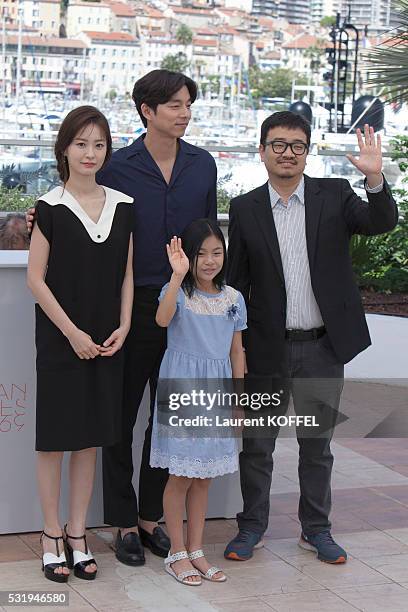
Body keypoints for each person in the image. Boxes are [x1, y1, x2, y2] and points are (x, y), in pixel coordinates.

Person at [26, 71, 217, 566]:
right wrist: (34, 219)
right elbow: (78, 206)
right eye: (174, 104)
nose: (184, 112)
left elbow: (207, 230)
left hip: (184, 306)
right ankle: (123, 522)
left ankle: (152, 516)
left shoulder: (204, 165)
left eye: (188, 104)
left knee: (168, 418)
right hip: (130, 305)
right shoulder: (118, 165)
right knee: (117, 417)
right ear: (146, 111)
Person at [225, 111, 398, 564]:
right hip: (267, 348)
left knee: (316, 448)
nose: (287, 153)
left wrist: (376, 178)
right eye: (278, 144)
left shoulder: (334, 195)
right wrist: (234, 345)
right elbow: (236, 283)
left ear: (308, 151)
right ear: (262, 151)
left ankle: (316, 530)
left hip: (322, 347)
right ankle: (252, 528)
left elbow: (380, 222)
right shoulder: (244, 208)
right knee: (258, 447)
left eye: (297, 145)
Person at [27, 106, 134, 583]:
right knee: (54, 442)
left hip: (108, 341)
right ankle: (51, 535)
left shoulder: (125, 205)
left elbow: (127, 274)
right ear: (65, 148)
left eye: (99, 145)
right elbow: (35, 279)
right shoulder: (49, 207)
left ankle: (77, 533)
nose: (91, 153)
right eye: (81, 144)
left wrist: (125, 326)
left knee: (89, 440)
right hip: (60, 340)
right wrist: (71, 333)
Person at [150, 220, 246, 585]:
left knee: (203, 478)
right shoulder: (178, 292)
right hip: (182, 388)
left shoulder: (233, 299)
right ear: (188, 257)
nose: (209, 260)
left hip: (217, 392)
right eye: (201, 253)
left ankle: (197, 550)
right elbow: (161, 320)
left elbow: (237, 351)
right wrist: (176, 277)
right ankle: (176, 553)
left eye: (216, 252)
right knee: (181, 475)